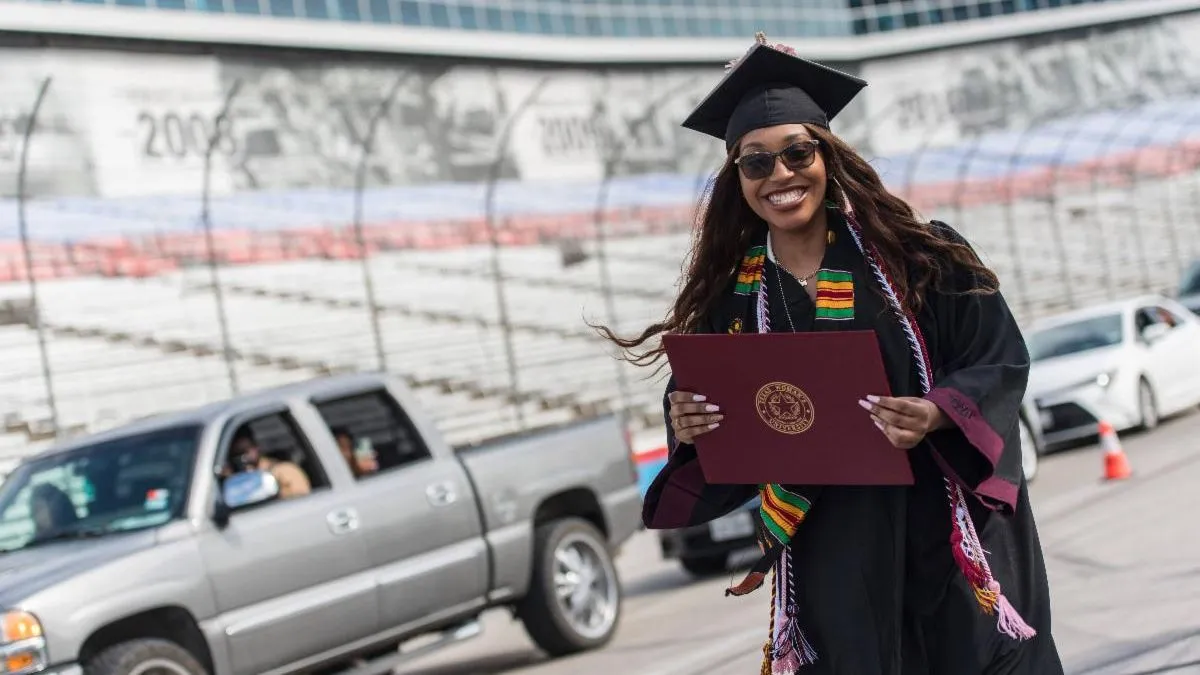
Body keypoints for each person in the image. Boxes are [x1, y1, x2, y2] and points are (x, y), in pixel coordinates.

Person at [598, 33, 1063, 675]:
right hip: (835, 555)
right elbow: (720, 433)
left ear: (828, 155)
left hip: (944, 533)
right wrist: (691, 424)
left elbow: (1000, 358)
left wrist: (934, 412)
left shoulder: (919, 260)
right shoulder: (730, 303)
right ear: (738, 177)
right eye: (755, 162)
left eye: (796, 152)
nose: (780, 175)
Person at [226, 426, 311, 499]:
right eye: (236, 455)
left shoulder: (284, 470)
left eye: (245, 451)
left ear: (256, 447)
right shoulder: (234, 482)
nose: (243, 458)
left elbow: (302, 501)